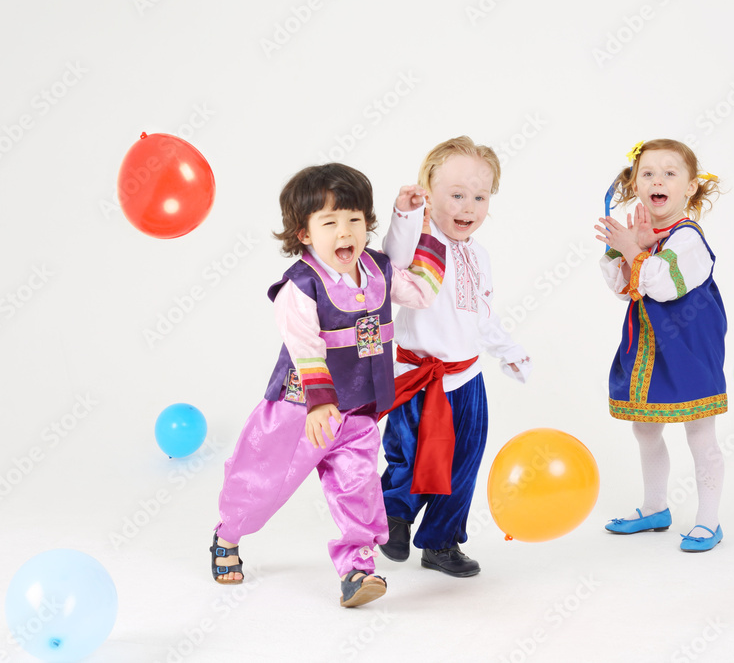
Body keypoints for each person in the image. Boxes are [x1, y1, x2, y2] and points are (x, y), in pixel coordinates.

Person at [210, 163, 446, 606]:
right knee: (262, 481)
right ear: (304, 233)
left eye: (355, 220)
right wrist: (320, 404)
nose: (345, 232)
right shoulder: (299, 286)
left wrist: (429, 232)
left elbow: (424, 292)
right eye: (330, 222)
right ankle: (228, 534)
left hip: (358, 410)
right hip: (300, 411)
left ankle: (358, 570)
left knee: (359, 486)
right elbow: (304, 347)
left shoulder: (377, 270)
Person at [378, 136, 531, 576]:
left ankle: (442, 541)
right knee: (409, 452)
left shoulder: (478, 255)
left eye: (480, 197)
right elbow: (395, 259)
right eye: (457, 195)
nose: (469, 207)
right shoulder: (420, 240)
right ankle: (393, 517)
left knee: (463, 461)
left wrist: (509, 351)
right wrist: (407, 214)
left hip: (467, 379)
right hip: (418, 377)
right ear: (429, 192)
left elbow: (482, 314)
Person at [594, 139, 727, 552]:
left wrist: (636, 249)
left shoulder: (688, 239)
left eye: (670, 173)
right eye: (648, 173)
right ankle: (655, 507)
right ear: (635, 185)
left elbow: (664, 287)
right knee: (645, 429)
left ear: (689, 187)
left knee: (699, 433)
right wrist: (624, 248)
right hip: (648, 345)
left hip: (689, 348)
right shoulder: (644, 233)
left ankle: (709, 520)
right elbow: (623, 288)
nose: (658, 180)